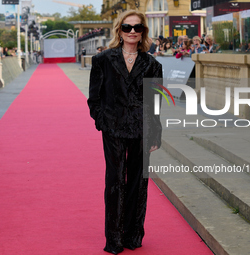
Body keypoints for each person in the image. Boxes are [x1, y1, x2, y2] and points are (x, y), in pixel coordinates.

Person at [87, 9, 162, 255]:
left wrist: (154, 134)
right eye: (127, 27)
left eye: (137, 27)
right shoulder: (103, 60)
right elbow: (94, 98)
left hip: (142, 128)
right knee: (115, 181)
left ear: (143, 33)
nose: (132, 32)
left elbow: (155, 104)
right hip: (114, 128)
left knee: (138, 183)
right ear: (119, 31)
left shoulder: (152, 64)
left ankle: (133, 235)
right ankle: (115, 238)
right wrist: (102, 122)